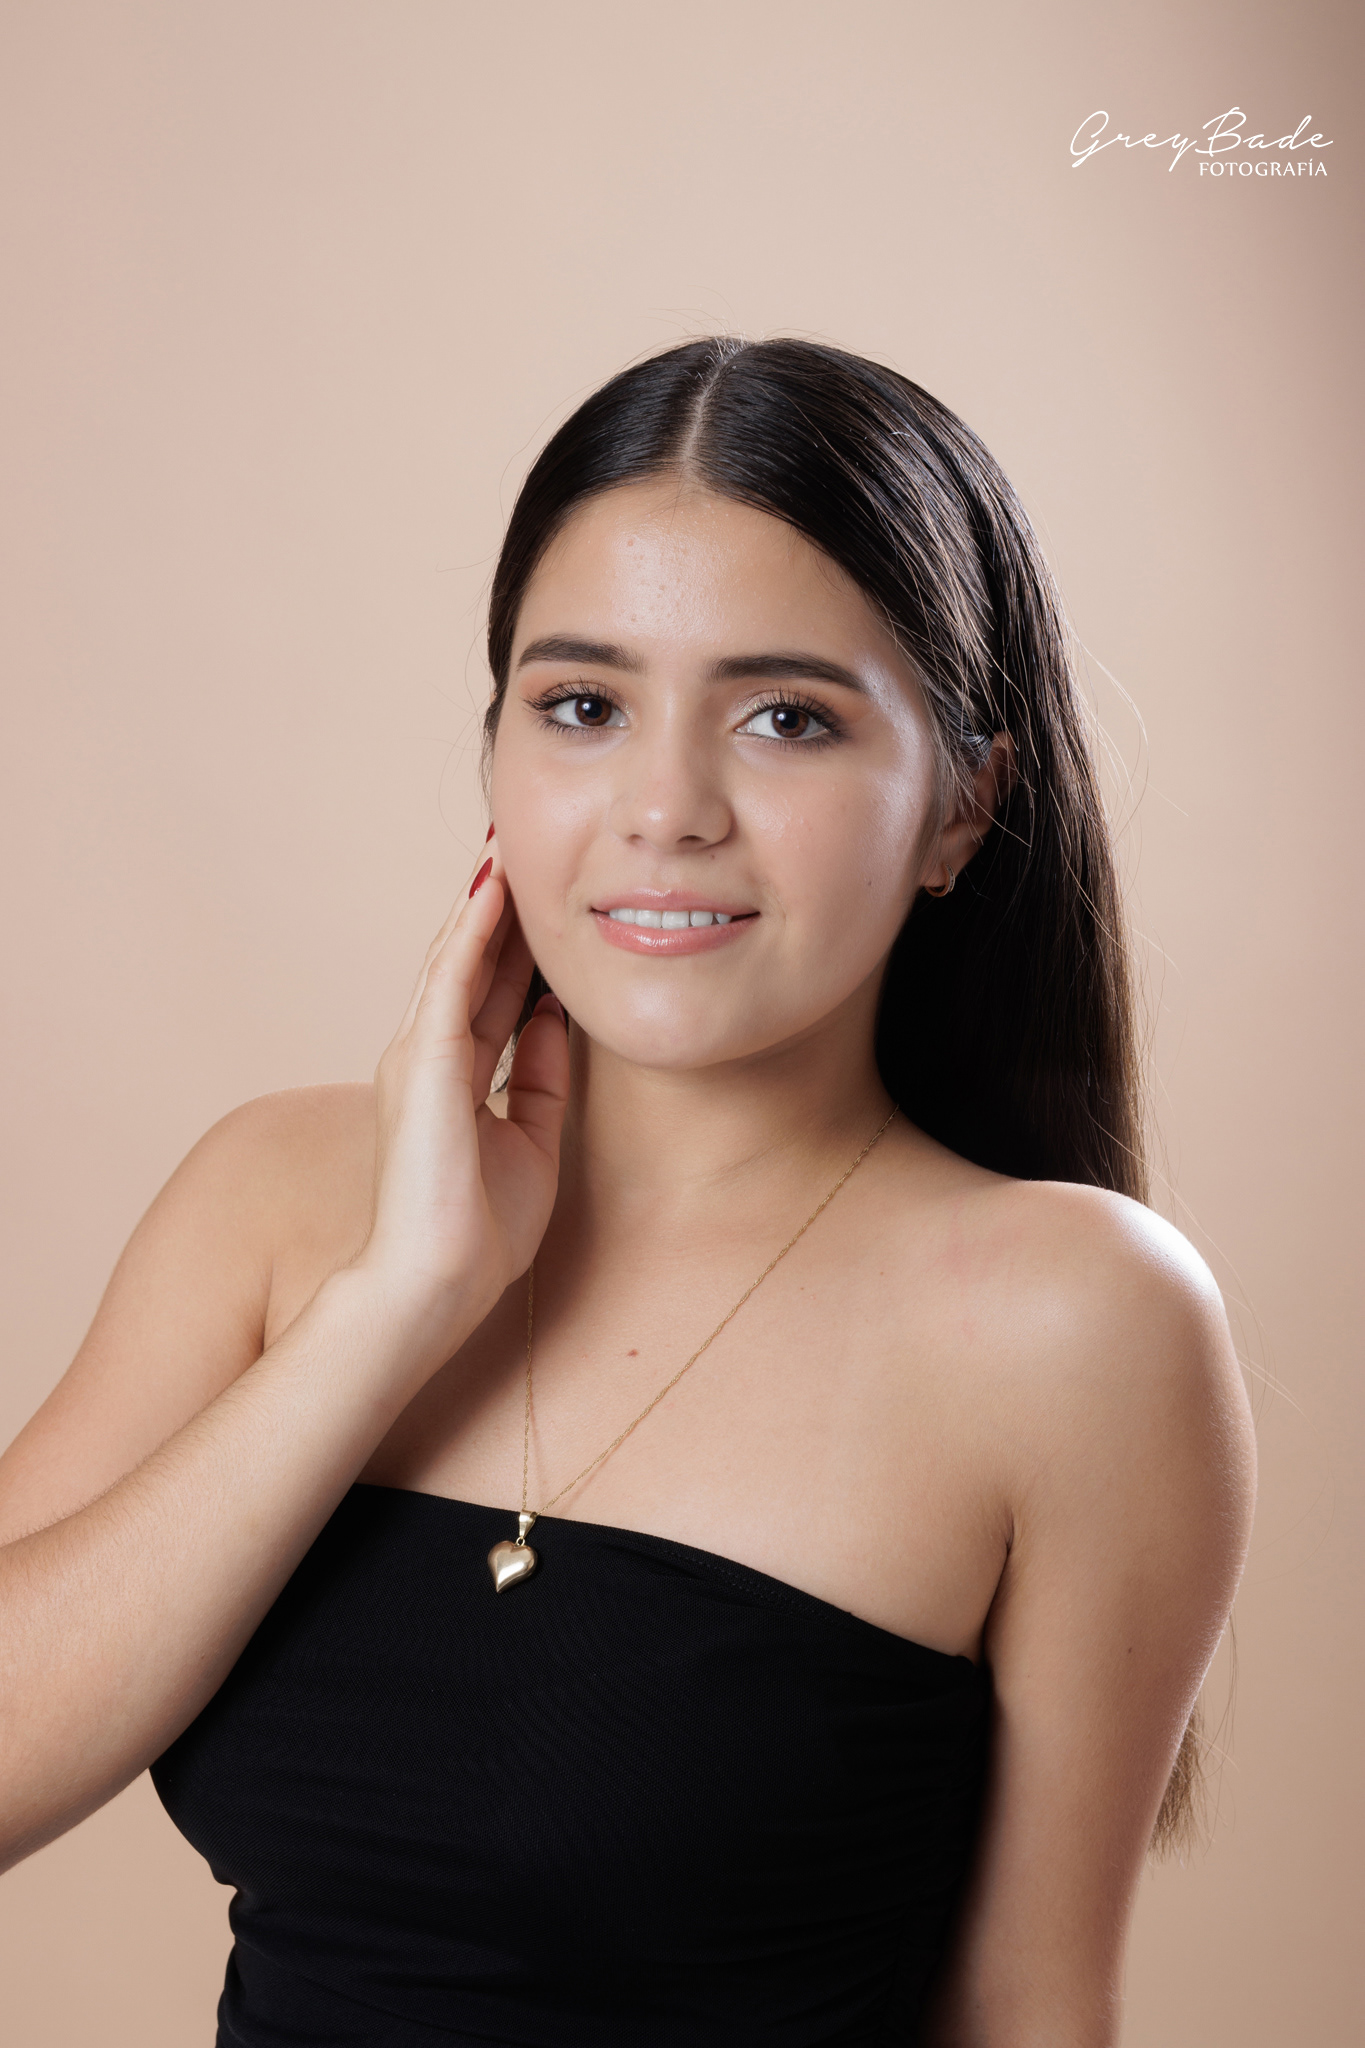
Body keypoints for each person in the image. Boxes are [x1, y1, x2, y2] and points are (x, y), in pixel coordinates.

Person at [0, 337, 1255, 2046]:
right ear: (497, 752)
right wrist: (392, 1306)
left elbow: (1027, 2013)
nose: (665, 811)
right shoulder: (275, 1203)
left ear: (964, 804)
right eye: (583, 707)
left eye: (785, 718)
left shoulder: (1077, 1323)